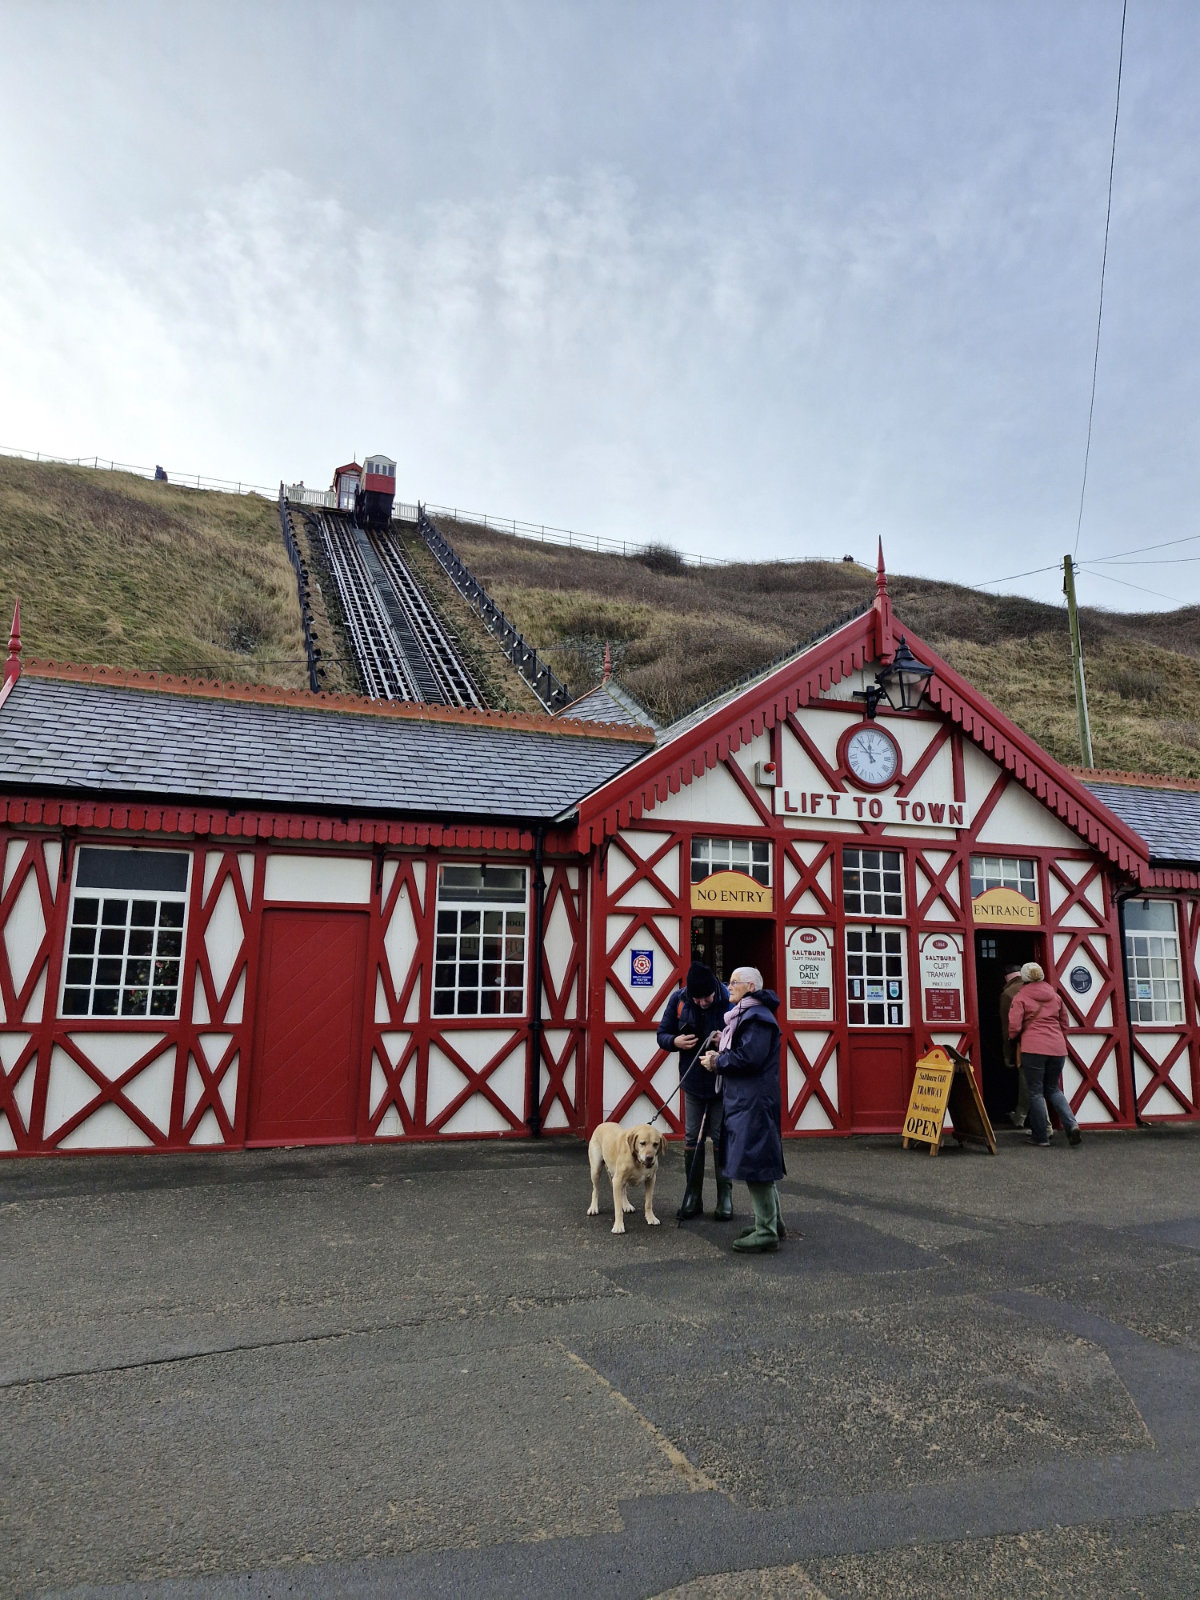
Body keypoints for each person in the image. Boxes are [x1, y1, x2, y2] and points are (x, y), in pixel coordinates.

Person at [700, 965, 786, 1252]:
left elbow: (749, 1057)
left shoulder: (757, 1018)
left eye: (735, 982)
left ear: (751, 987)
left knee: (755, 1162)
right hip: (749, 1100)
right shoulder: (749, 1015)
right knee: (758, 1160)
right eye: (730, 981)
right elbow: (745, 1051)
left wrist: (718, 1062)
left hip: (753, 1102)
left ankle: (766, 1230)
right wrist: (721, 1048)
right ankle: (773, 1222)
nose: (729, 986)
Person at [657, 961, 731, 1220]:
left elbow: (745, 1036)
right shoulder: (679, 999)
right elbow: (662, 1035)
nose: (702, 1003)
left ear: (714, 989)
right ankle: (692, 1197)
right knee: (692, 1138)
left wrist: (726, 1040)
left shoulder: (729, 998)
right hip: (692, 1081)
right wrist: (674, 1041)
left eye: (707, 998)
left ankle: (725, 1198)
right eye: (697, 999)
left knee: (722, 1137)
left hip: (723, 1081)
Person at [1007, 961, 1082, 1149]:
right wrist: (1055, 1036)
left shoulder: (1020, 997)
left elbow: (1014, 1027)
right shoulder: (1055, 996)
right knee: (1054, 1089)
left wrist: (1013, 1039)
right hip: (1057, 1048)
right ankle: (1071, 1125)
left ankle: (1040, 1136)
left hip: (1033, 1048)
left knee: (1035, 1092)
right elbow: (1065, 1023)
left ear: (1024, 978)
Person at [999, 964, 1029, 1128]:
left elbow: (1008, 1027)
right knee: (1049, 1087)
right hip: (1054, 1045)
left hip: (1025, 1045)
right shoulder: (1044, 990)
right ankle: (1066, 1122)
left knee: (1027, 1083)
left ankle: (1021, 1117)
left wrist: (1007, 1053)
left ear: (1006, 977)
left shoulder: (1008, 993)